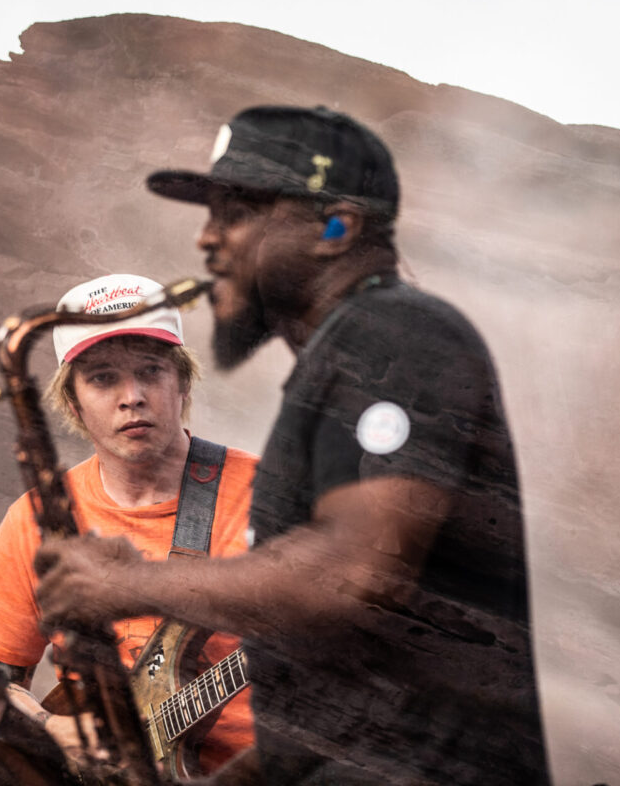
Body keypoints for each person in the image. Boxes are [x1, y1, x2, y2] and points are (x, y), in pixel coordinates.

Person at [36, 107, 552, 785]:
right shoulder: (334, 367)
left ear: (337, 226)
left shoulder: (394, 333)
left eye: (238, 213)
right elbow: (330, 709)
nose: (207, 239)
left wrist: (126, 583)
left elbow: (353, 575)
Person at [0, 273, 258, 777]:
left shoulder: (271, 496)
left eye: (151, 371)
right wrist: (54, 731)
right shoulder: (35, 522)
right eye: (102, 378)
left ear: (182, 382)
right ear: (72, 403)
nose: (132, 396)